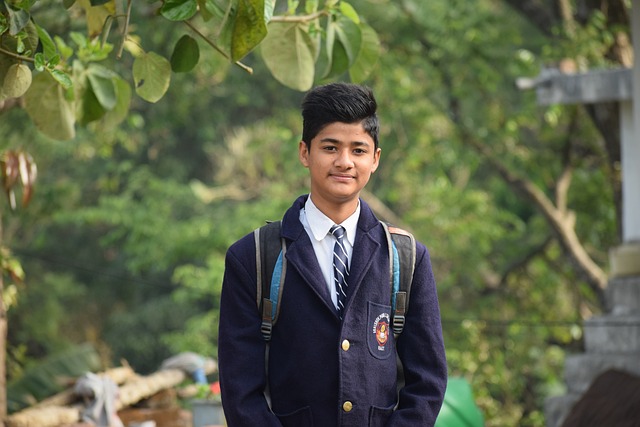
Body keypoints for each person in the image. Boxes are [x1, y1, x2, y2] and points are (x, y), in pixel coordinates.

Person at [218, 82, 447, 426]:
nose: (344, 162)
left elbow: (427, 384)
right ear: (304, 153)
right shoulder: (253, 258)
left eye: (358, 150)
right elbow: (241, 391)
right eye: (330, 147)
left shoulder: (406, 258)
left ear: (375, 159)